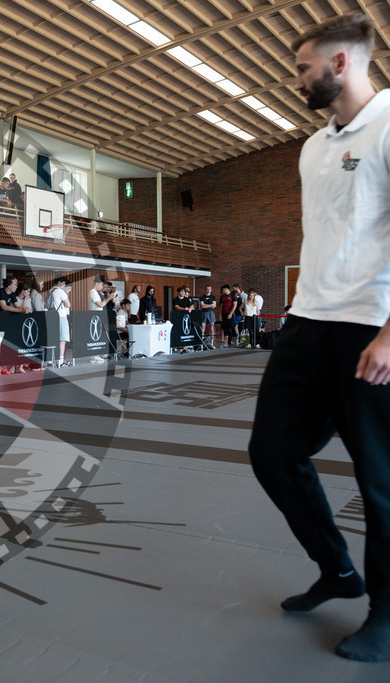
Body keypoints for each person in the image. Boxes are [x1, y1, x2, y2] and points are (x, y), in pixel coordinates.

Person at [248, 13, 390, 663]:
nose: (297, 78)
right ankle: (336, 568)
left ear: (340, 64)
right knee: (272, 451)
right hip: (308, 323)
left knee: (380, 478)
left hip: (371, 326)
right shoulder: (312, 146)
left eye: (304, 67)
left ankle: (387, 614)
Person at [48, 277, 71, 366]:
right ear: (59, 282)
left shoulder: (50, 291)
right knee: (63, 339)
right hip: (61, 316)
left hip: (52, 317)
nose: (64, 285)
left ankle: (51, 360)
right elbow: (68, 304)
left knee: (54, 339)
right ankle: (60, 360)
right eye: (64, 283)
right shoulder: (60, 291)